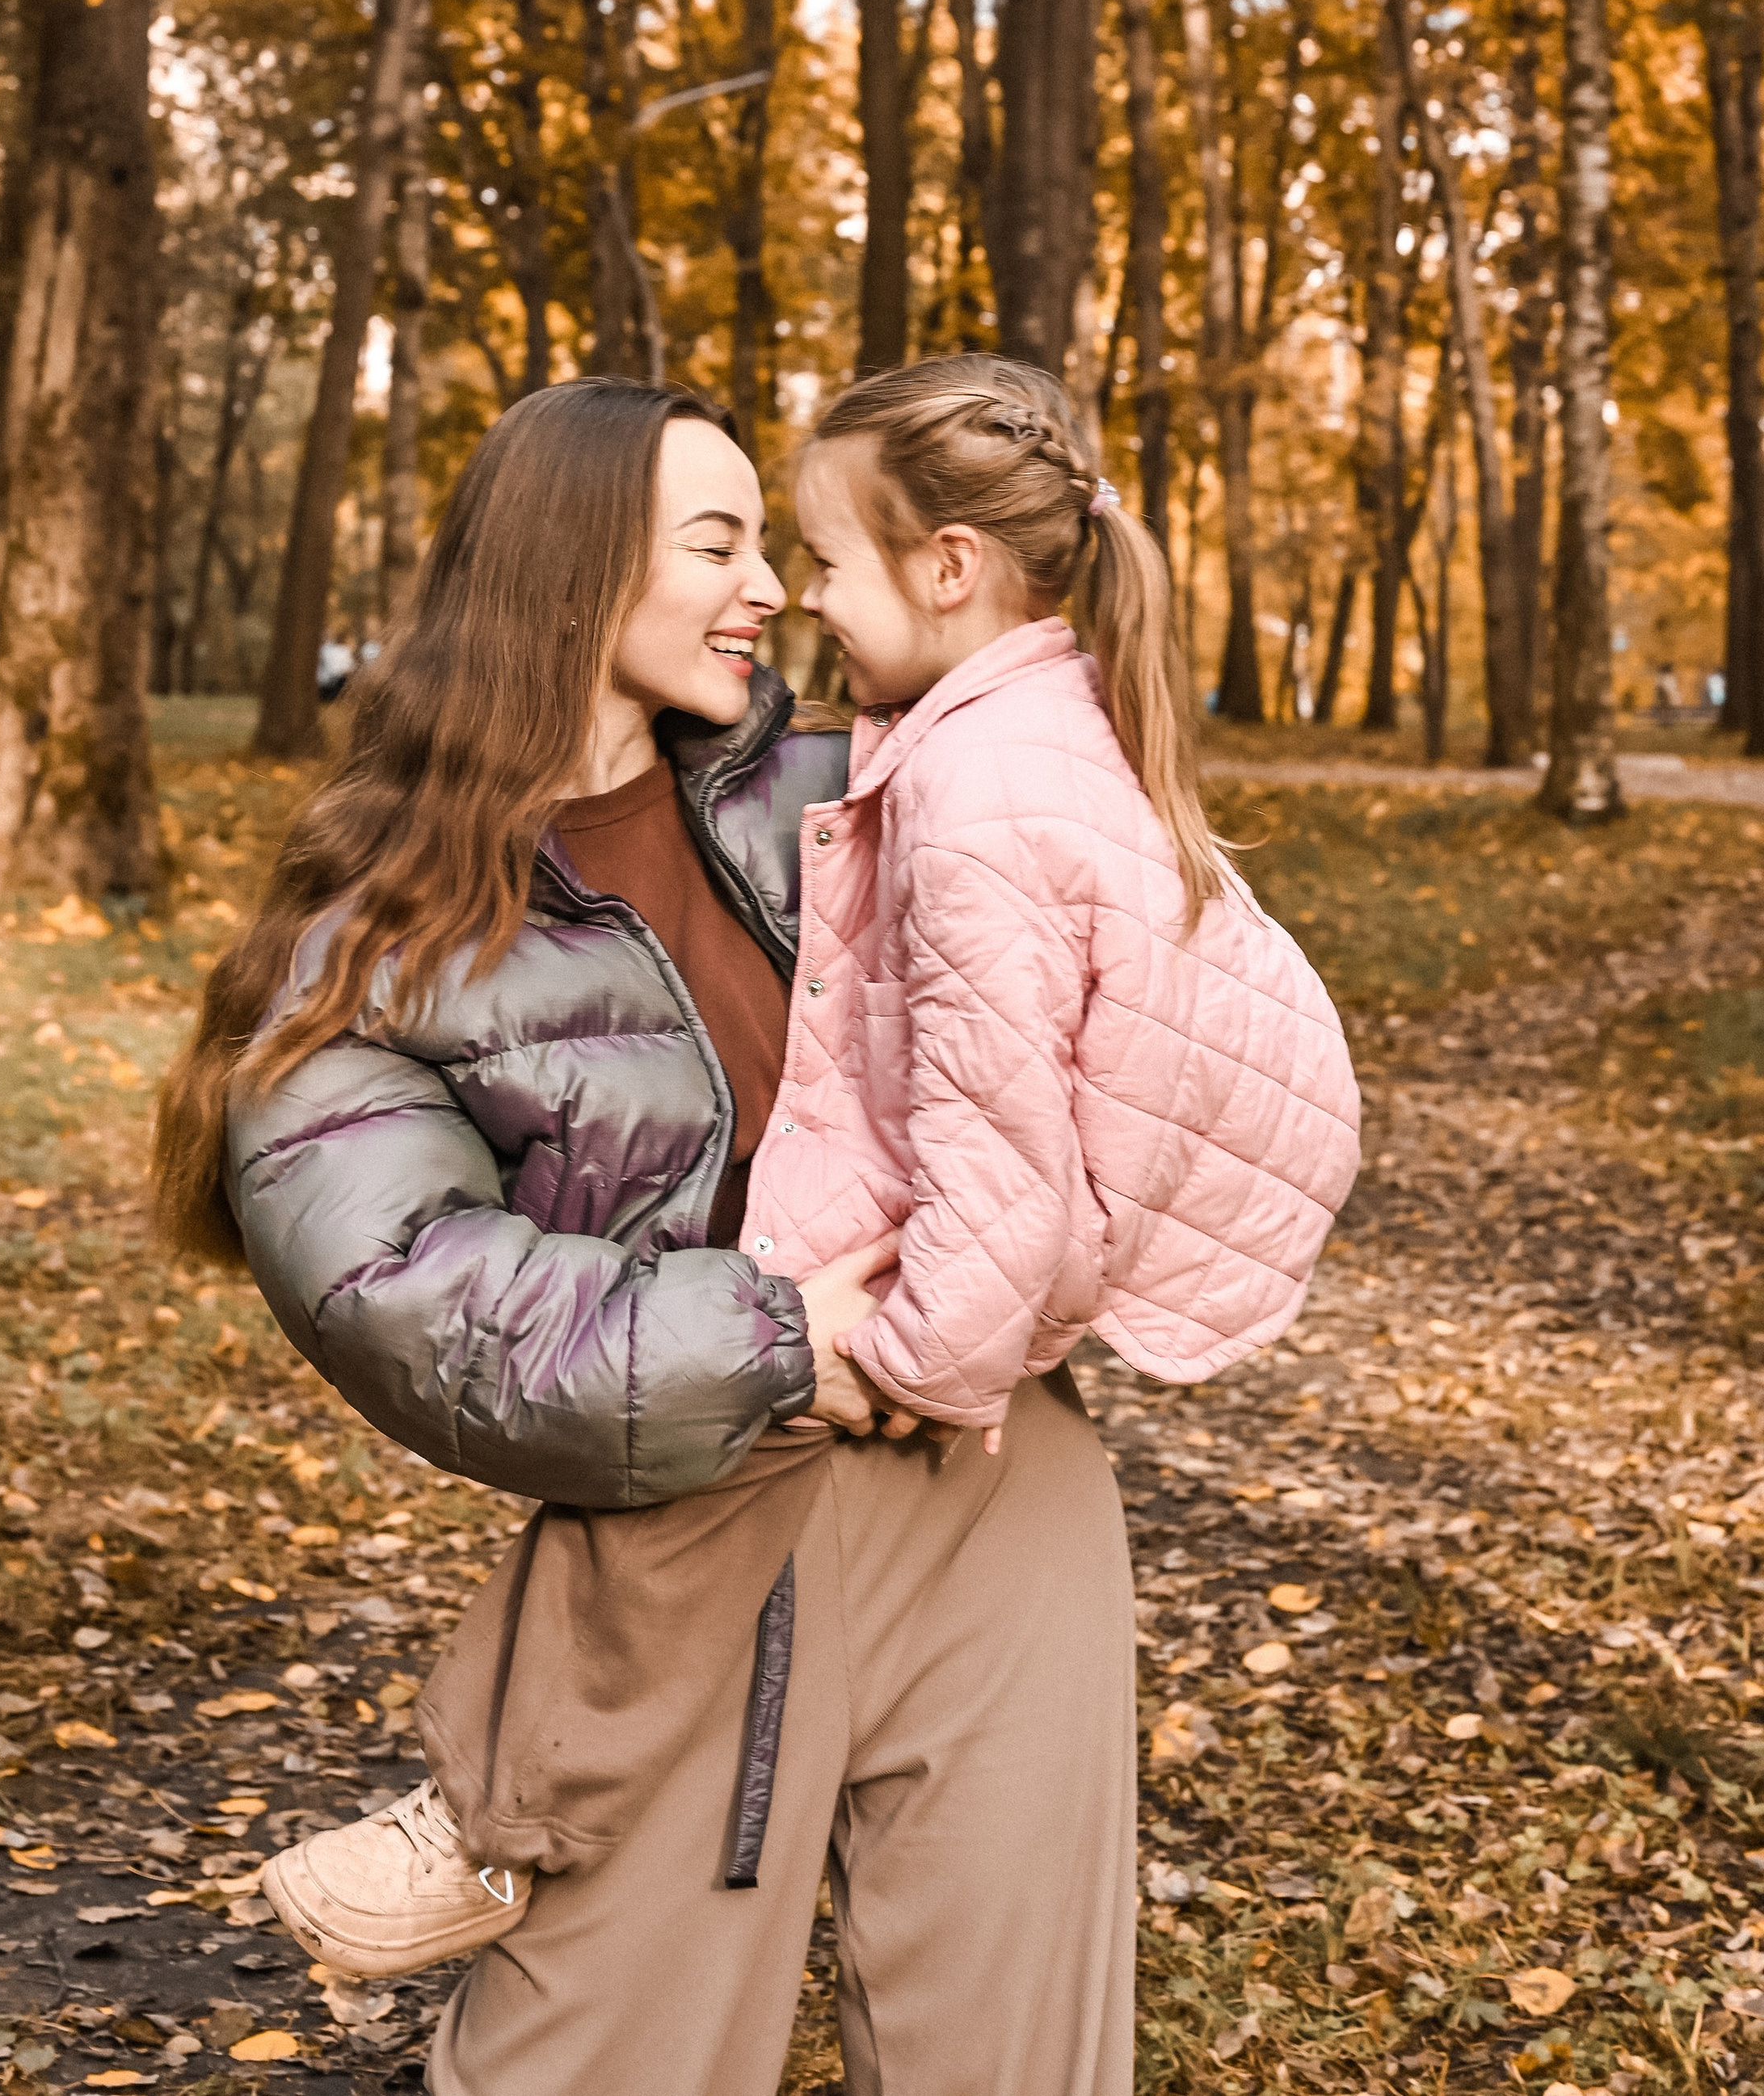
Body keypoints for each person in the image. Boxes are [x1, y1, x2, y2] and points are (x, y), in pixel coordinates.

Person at [156, 366, 1358, 2096]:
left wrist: (1058, 1251)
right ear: (571, 572)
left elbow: (1127, 1004)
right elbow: (410, 1297)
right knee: (599, 2060)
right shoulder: (368, 950)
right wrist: (792, 1327)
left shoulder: (869, 776)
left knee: (1014, 2059)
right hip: (688, 1541)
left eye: (771, 543)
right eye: (717, 540)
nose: (772, 586)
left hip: (995, 1485)